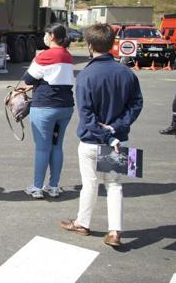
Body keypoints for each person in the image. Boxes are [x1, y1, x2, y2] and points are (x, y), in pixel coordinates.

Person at [60, 24, 143, 248]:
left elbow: (86, 116)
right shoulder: (127, 73)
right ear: (112, 44)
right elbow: (136, 105)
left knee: (90, 183)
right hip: (119, 139)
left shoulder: (86, 75)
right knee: (115, 185)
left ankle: (82, 223)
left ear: (89, 46)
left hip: (91, 140)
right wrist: (116, 128)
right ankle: (115, 231)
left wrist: (106, 135)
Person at [23, 24, 74, 199]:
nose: (45, 36)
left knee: (42, 149)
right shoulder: (68, 55)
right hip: (66, 107)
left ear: (52, 36)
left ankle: (37, 186)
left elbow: (28, 79)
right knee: (57, 146)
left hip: (45, 107)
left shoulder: (45, 56)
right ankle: (53, 186)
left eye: (46, 33)